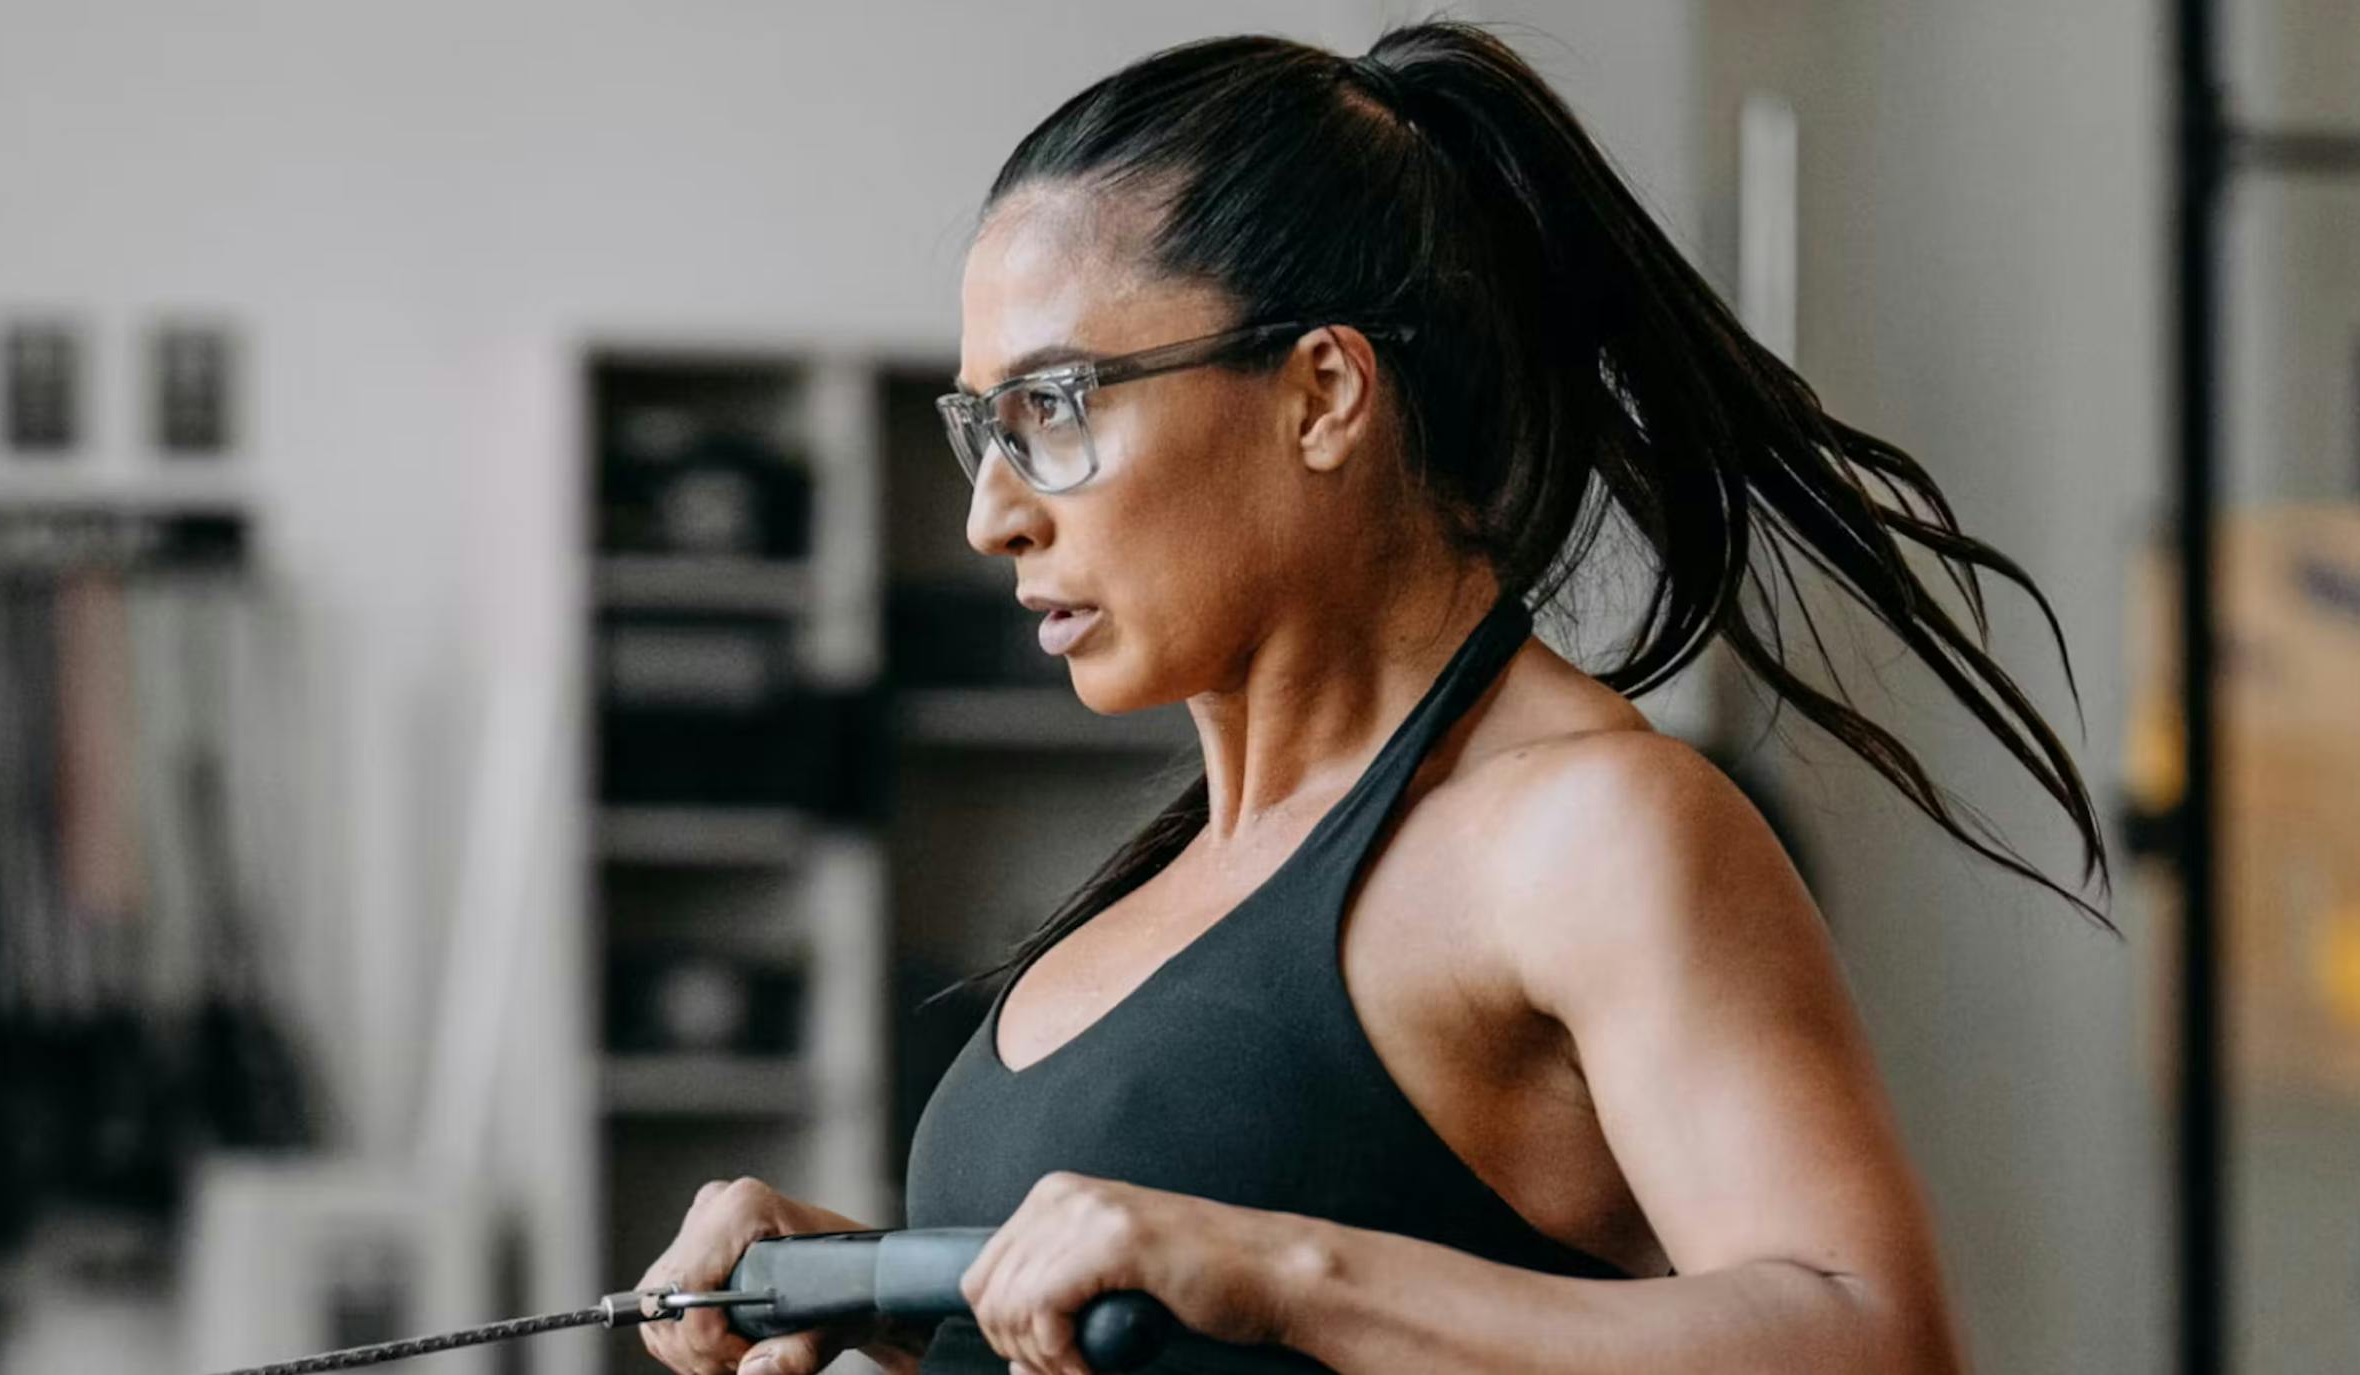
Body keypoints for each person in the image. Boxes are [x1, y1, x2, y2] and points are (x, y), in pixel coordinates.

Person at [638, 20, 2108, 1375]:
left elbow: (1877, 1342)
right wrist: (882, 1291)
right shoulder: (1187, 870)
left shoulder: (1592, 831)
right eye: (983, 431)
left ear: (1324, 395)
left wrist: (1280, 1270)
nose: (993, 516)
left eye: (1057, 408)